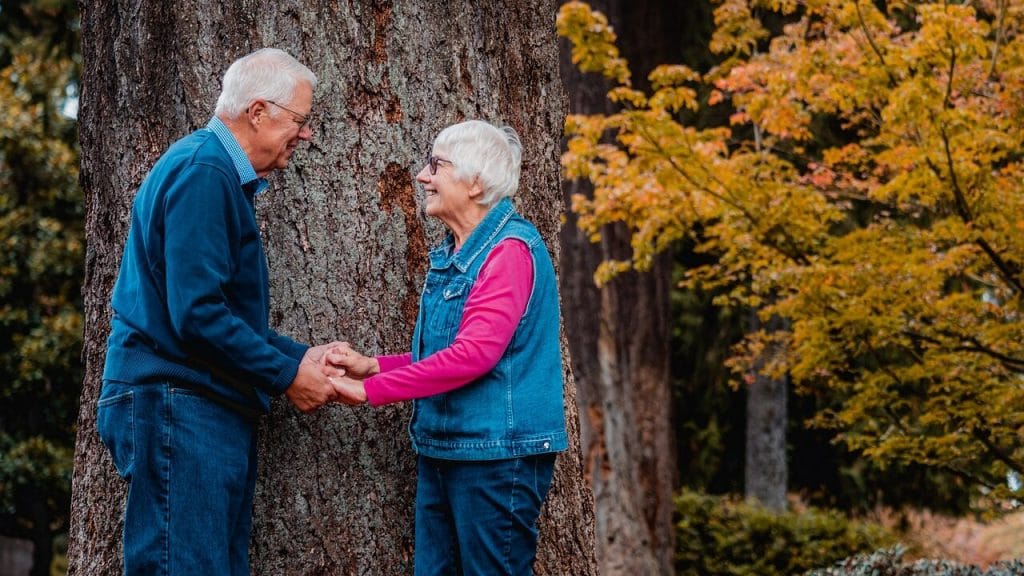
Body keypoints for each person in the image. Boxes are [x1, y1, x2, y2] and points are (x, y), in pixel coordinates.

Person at [96, 48, 344, 576]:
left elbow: (216, 311)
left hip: (196, 405)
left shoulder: (213, 171)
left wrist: (304, 357)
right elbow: (198, 316)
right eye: (300, 121)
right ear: (259, 112)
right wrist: (286, 375)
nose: (305, 135)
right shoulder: (205, 170)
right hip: (178, 405)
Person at [326, 120, 568, 575]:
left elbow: (474, 356)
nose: (423, 176)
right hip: (448, 449)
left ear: (475, 183)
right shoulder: (460, 252)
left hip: (496, 458)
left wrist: (370, 392)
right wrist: (373, 366)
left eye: (436, 165)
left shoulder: (508, 253)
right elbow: (450, 353)